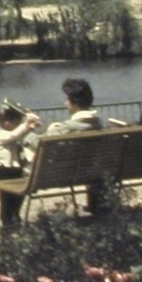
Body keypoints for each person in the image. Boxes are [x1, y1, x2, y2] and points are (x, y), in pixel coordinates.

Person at [28, 77, 107, 214]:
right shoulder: (98, 125)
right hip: (91, 172)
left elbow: (37, 143)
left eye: (67, 99)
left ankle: (9, 218)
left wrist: (26, 130)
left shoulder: (63, 129)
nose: (65, 103)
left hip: (60, 175)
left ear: (74, 103)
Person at [0, 102, 40, 228]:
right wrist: (26, 124)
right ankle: (6, 219)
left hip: (15, 168)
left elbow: (22, 134)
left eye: (14, 120)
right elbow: (13, 136)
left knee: (18, 196)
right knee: (6, 196)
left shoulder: (18, 132)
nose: (9, 123)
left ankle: (15, 215)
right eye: (6, 120)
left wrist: (29, 119)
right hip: (3, 170)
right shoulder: (0, 135)